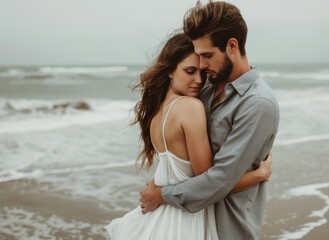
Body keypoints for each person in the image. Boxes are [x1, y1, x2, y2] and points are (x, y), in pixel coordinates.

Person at [104, 32, 272, 239]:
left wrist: (159, 194)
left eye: (202, 73)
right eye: (190, 71)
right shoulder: (190, 107)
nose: (199, 81)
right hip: (184, 221)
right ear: (170, 70)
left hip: (160, 216)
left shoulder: (157, 111)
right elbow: (209, 181)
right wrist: (258, 175)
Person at [139, 1, 280, 240]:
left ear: (232, 46)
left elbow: (219, 180)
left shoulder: (257, 104)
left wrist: (162, 195)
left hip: (228, 229)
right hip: (188, 225)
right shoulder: (204, 91)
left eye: (207, 55)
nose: (202, 66)